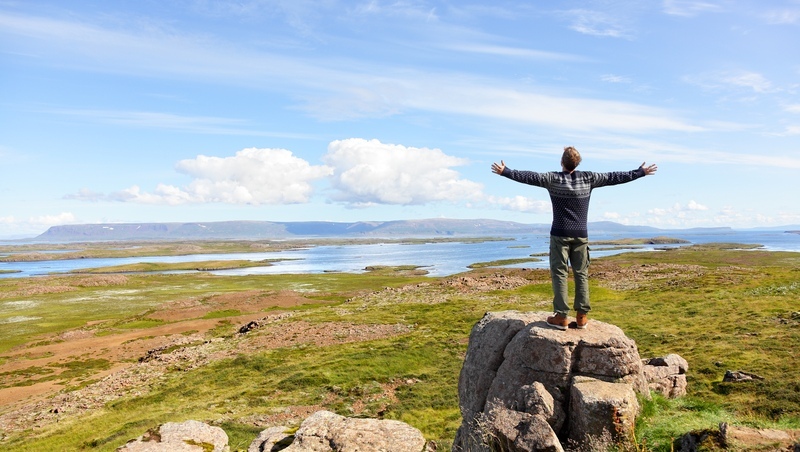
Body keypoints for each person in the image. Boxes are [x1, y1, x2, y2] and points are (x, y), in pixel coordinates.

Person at [491, 146, 657, 330]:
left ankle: (561, 317)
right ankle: (582, 317)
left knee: (560, 273)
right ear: (577, 163)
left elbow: (529, 177)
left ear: (562, 162)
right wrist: (640, 172)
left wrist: (505, 171)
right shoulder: (588, 178)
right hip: (581, 235)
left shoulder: (552, 179)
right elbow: (614, 177)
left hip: (559, 234)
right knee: (581, 273)